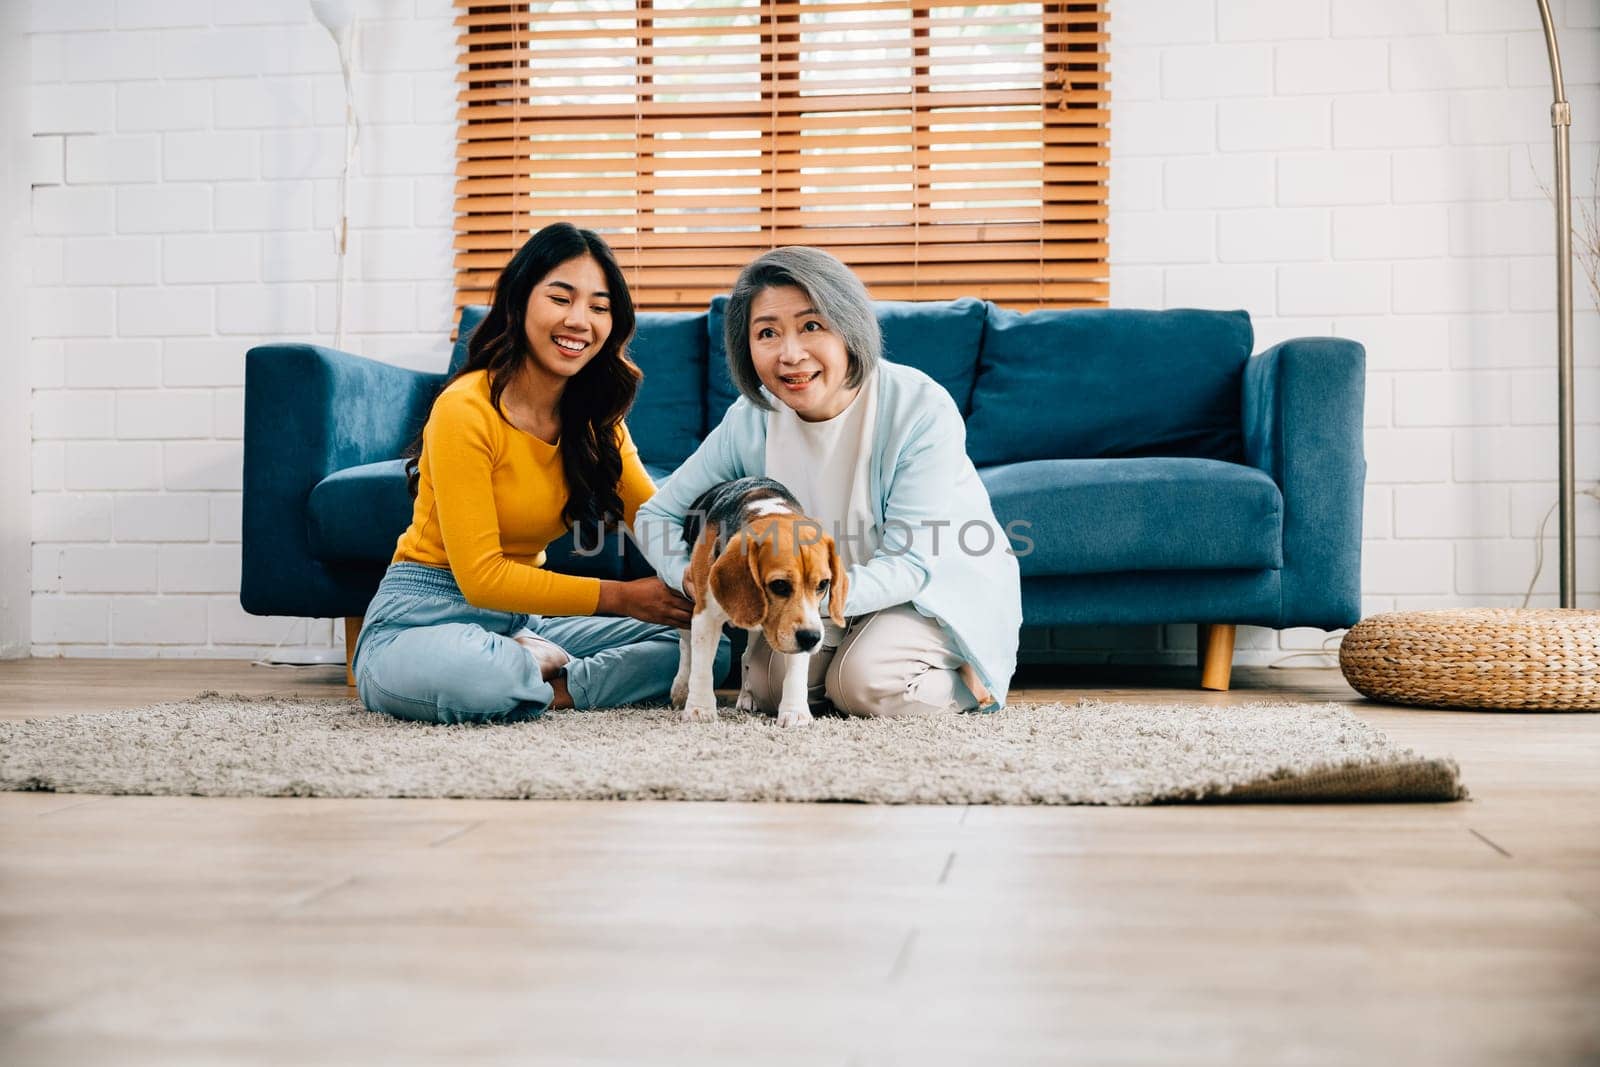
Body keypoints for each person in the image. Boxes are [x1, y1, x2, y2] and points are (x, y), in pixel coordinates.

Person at [353, 222, 727, 724]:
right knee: (481, 677)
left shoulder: (598, 422)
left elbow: (653, 517)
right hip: (420, 620)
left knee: (705, 652)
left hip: (522, 625)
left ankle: (553, 681)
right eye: (561, 298)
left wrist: (693, 581)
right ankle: (522, 669)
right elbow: (482, 579)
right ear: (519, 301)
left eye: (598, 307)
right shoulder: (466, 409)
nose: (579, 320)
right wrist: (622, 598)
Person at [635, 246, 1021, 717]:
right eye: (767, 333)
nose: (791, 354)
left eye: (812, 326)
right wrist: (689, 576)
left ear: (849, 326)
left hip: (927, 586)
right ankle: (846, 645)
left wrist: (815, 599)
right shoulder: (752, 418)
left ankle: (969, 682)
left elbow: (912, 563)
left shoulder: (919, 408)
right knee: (772, 690)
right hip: (815, 594)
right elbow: (656, 512)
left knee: (865, 685)